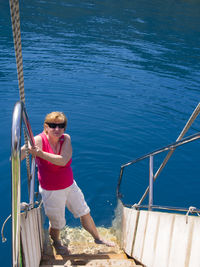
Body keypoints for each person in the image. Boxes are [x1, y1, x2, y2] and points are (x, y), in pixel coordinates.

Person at [21, 111, 115, 254]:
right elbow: (16, 156)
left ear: (65, 128)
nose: (57, 129)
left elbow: (63, 160)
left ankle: (97, 238)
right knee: (57, 223)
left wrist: (40, 154)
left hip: (70, 185)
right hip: (51, 190)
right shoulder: (38, 141)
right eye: (52, 125)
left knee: (85, 212)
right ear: (45, 127)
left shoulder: (66, 139)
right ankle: (57, 243)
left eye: (61, 126)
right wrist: (25, 149)